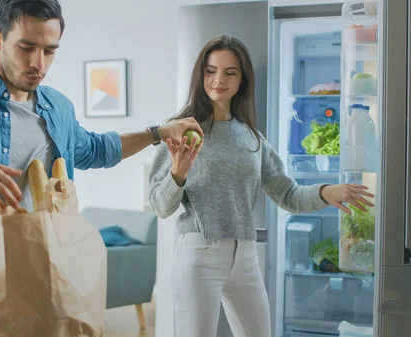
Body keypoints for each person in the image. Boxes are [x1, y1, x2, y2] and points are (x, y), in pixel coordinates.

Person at [0, 1, 203, 336]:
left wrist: (158, 133)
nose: (38, 63)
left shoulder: (58, 108)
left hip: (31, 297)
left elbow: (97, 149)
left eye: (50, 51)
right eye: (26, 47)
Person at [148, 35, 374, 337]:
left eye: (231, 72)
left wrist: (325, 192)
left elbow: (287, 193)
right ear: (200, 74)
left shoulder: (251, 138)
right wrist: (178, 172)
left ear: (242, 80)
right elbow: (160, 206)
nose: (219, 79)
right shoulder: (179, 130)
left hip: (245, 257)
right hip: (199, 256)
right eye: (211, 70)